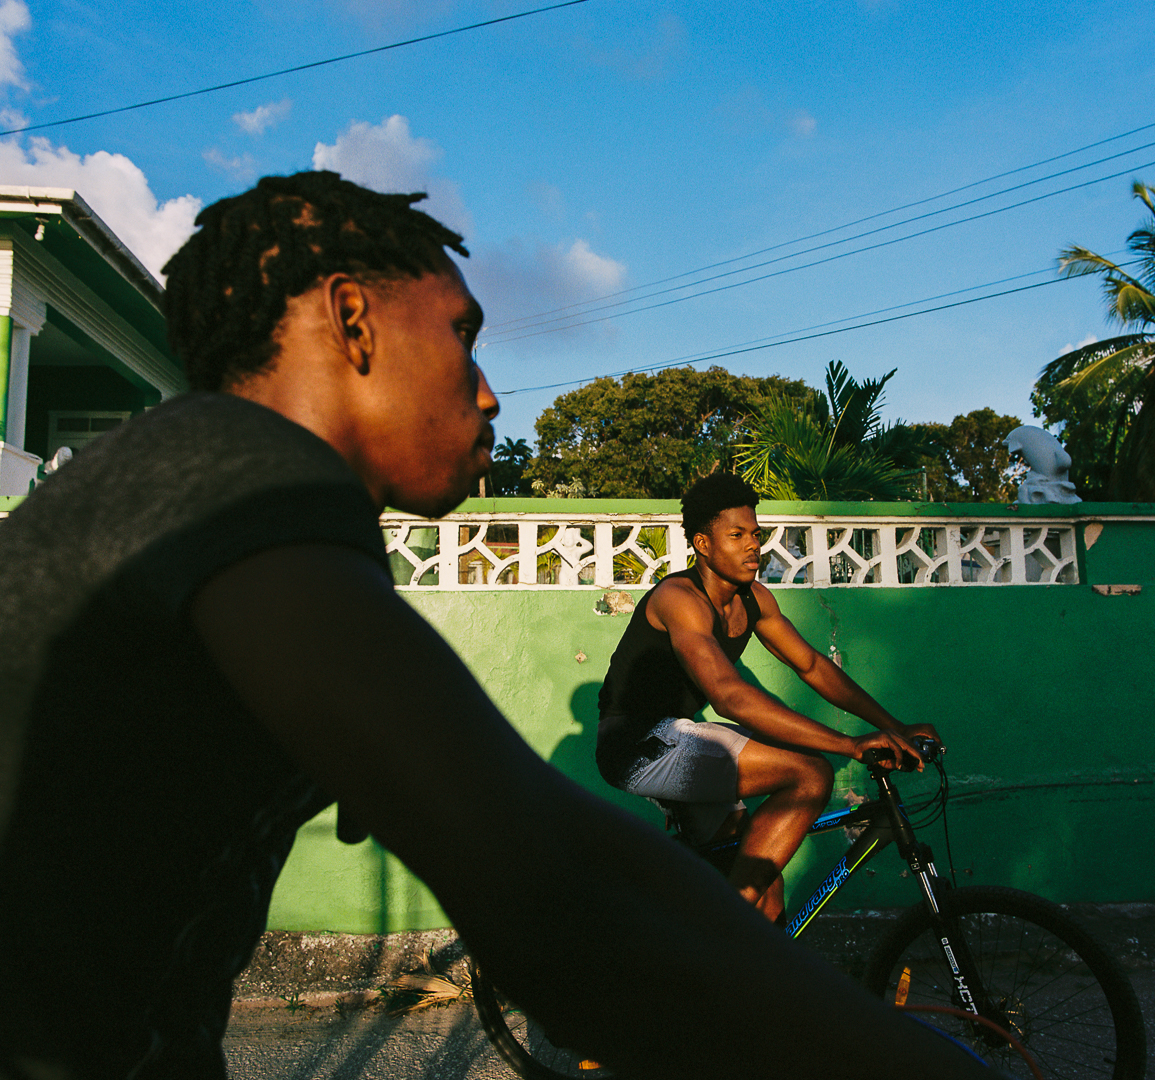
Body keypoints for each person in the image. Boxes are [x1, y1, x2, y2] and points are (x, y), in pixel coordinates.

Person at [0, 171, 996, 1080]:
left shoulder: (245, 517)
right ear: (353, 320)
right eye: (462, 335)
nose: (488, 393)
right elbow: (554, 887)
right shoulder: (229, 465)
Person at [597, 472, 943, 922]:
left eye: (755, 534)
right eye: (736, 535)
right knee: (810, 775)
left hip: (681, 739)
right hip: (637, 745)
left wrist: (893, 726)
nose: (752, 546)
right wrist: (848, 744)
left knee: (765, 883)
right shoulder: (679, 597)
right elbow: (728, 696)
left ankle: (742, 973)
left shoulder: (754, 598)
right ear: (703, 544)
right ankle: (728, 928)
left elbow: (812, 666)